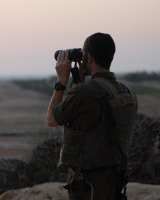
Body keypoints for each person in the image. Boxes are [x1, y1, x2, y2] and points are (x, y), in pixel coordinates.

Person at [46, 33, 138, 200]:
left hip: (87, 185)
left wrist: (61, 82)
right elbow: (96, 120)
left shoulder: (84, 93)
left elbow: (51, 119)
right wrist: (81, 83)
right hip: (115, 179)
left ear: (88, 57)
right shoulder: (128, 93)